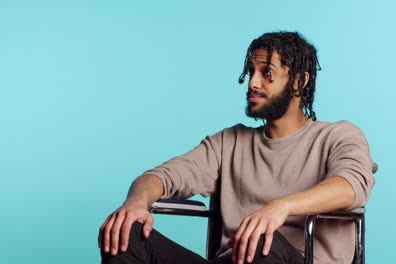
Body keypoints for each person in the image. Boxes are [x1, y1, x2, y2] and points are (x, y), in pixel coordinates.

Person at [98, 31, 375, 264]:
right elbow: (162, 176)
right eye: (251, 71)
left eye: (267, 73)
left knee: (260, 243)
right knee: (125, 232)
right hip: (233, 259)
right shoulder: (229, 142)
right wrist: (135, 203)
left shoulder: (337, 135)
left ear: (299, 81)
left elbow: (351, 185)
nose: (253, 83)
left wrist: (280, 207)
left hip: (282, 257)